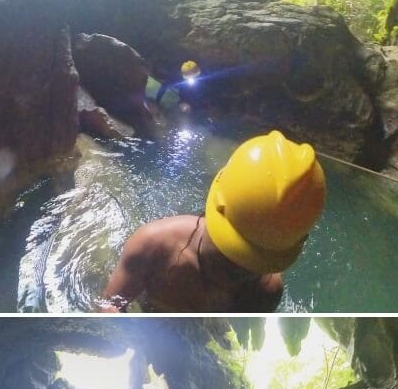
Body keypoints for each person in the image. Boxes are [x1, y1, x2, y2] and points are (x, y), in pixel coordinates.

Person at [99, 130, 326, 313]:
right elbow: (109, 306)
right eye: (229, 256)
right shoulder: (153, 246)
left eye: (251, 266)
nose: (237, 269)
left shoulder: (267, 292)